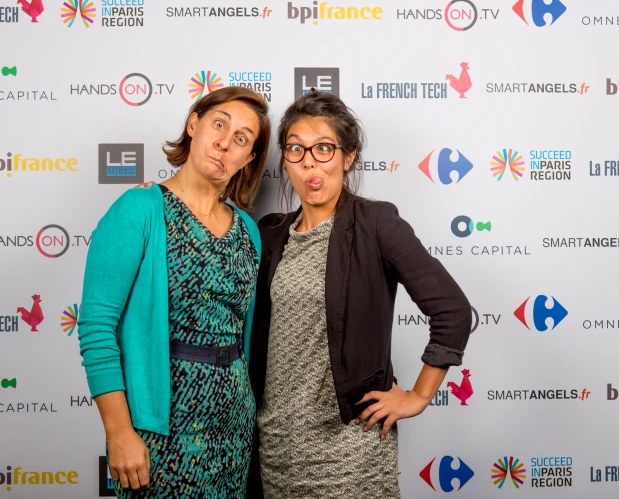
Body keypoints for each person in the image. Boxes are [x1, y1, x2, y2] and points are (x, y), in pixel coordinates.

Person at [246, 92, 472, 498]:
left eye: (324, 148)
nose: (310, 162)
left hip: (351, 446)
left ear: (348, 157)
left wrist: (419, 396)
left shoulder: (375, 223)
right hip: (277, 444)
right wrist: (162, 201)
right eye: (296, 149)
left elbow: (452, 311)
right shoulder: (269, 232)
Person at [77, 86, 270, 498]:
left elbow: (244, 335)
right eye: (219, 124)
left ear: (249, 158)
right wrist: (119, 432)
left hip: (233, 426)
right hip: (160, 426)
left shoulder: (248, 231)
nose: (224, 142)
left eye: (241, 138)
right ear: (193, 123)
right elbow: (96, 328)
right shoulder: (139, 209)